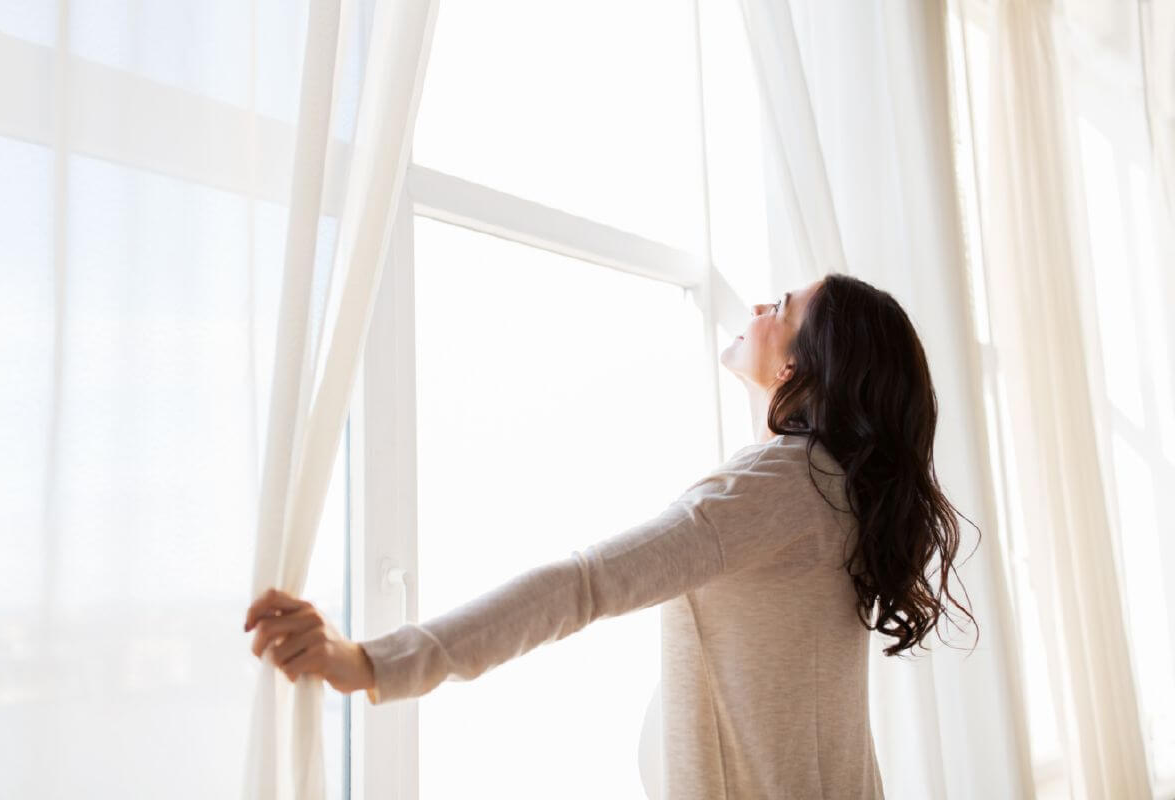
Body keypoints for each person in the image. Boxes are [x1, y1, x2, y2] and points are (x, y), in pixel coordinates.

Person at [244, 272, 978, 799]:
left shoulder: (776, 488)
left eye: (781, 306)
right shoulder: (839, 494)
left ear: (796, 364)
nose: (759, 305)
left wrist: (373, 662)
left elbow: (585, 584)